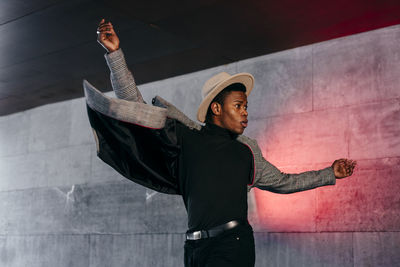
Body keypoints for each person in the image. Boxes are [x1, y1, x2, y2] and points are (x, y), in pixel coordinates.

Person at [84, 19, 357, 267]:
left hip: (232, 245)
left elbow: (285, 182)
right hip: (194, 247)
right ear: (216, 108)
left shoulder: (247, 152)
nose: (245, 112)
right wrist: (114, 55)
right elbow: (136, 108)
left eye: (246, 106)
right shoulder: (185, 139)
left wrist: (329, 173)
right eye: (238, 105)